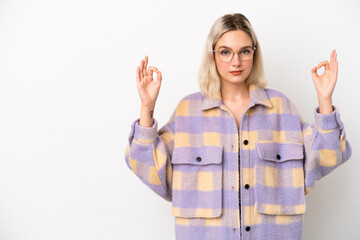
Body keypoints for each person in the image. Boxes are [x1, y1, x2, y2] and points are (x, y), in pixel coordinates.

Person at [124, 13, 352, 240]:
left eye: (244, 51)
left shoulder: (281, 108)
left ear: (254, 53)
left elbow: (327, 157)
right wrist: (147, 106)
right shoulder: (187, 111)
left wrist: (325, 100)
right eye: (225, 52)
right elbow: (148, 167)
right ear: (212, 55)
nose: (236, 62)